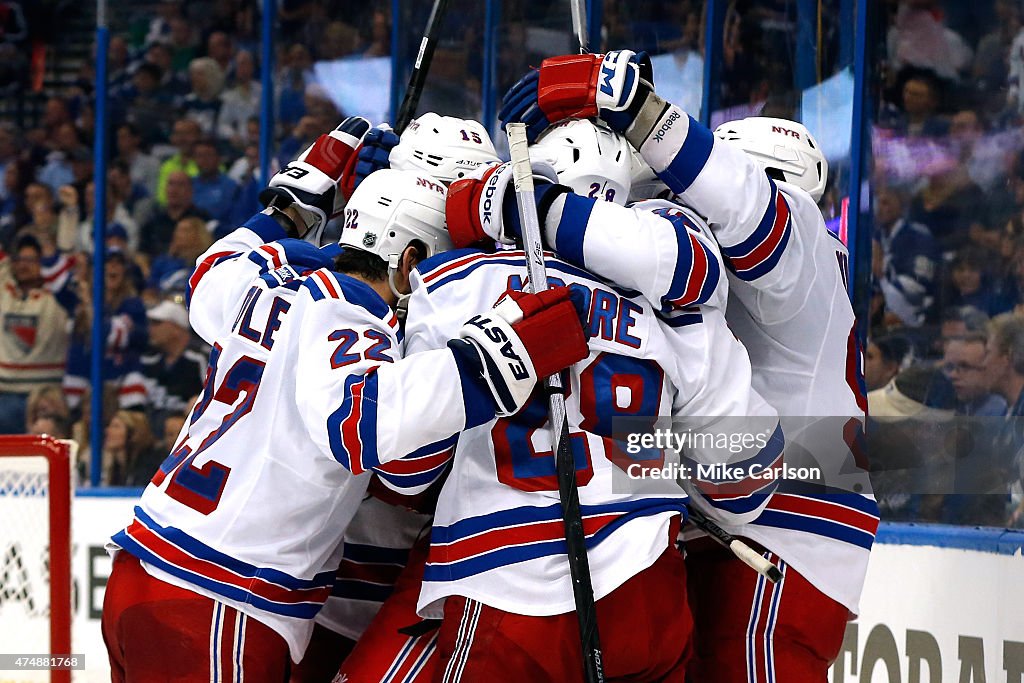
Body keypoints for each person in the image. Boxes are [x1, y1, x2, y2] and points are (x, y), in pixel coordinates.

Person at [101, 119, 588, 681]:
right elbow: (369, 431)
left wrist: (300, 196)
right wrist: (503, 350)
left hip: (146, 566)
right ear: (410, 263)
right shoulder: (358, 321)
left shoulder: (265, 284)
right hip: (220, 596)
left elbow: (209, 278)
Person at [341, 118, 784, 682]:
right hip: (649, 590)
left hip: (509, 586)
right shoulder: (669, 303)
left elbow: (407, 474)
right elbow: (747, 485)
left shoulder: (454, 280)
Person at [500, 49, 879, 680]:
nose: (682, 204)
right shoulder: (729, 280)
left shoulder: (798, 238)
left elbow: (742, 207)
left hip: (780, 535)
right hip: (743, 524)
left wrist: (637, 112)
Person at [0, 234, 69, 434]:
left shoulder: (58, 297)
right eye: (19, 260)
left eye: (30, 260)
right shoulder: (5, 291)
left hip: (46, 395)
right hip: (5, 394)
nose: (23, 265)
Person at [139, 299, 208, 429]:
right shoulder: (150, 359)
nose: (151, 329)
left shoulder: (199, 358)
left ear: (177, 328)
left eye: (157, 323)